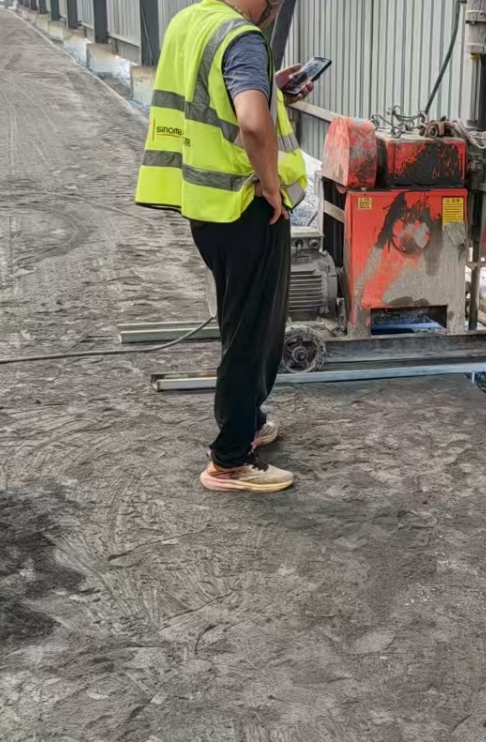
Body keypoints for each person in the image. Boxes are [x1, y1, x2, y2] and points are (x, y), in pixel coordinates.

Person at [135, 0, 313, 494]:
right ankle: (231, 459)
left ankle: (248, 423)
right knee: (253, 334)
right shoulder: (242, 38)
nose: (275, 10)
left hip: (207, 206)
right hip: (246, 204)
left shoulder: (191, 22)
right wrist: (272, 183)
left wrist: (272, 88)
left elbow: (213, 97)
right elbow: (252, 124)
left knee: (240, 323)